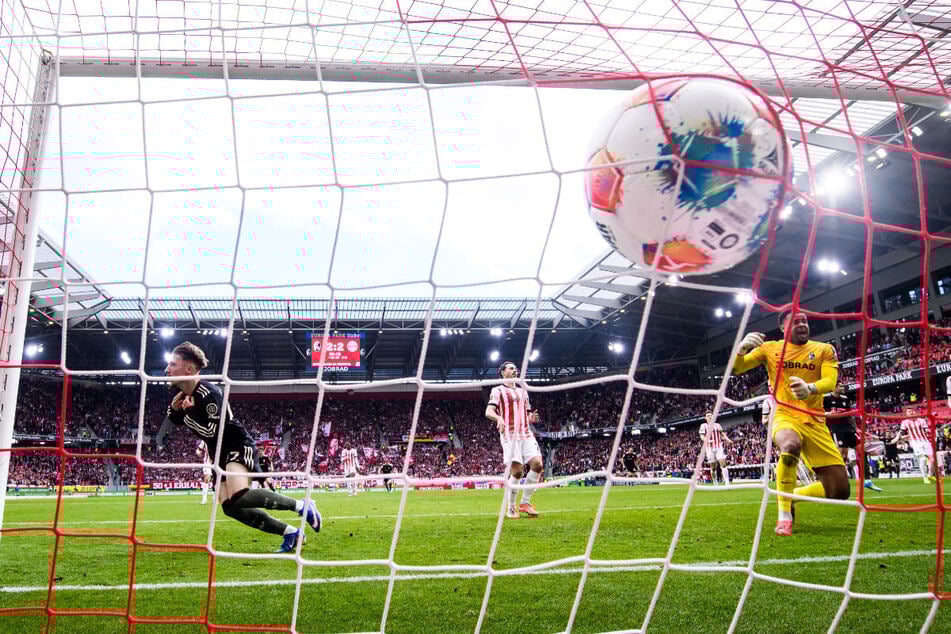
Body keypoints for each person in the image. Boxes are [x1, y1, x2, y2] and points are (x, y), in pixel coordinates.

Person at [165, 341, 321, 552]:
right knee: (230, 507)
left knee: (240, 494)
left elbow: (212, 432)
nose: (167, 369)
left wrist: (187, 414)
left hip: (236, 444)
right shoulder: (184, 397)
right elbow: (176, 421)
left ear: (189, 369)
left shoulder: (209, 394)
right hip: (217, 452)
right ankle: (291, 533)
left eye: (173, 364)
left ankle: (302, 506)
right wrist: (176, 411)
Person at [733, 311, 850, 537]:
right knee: (789, 446)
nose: (802, 324)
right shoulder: (771, 348)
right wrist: (741, 348)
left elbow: (830, 381)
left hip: (815, 419)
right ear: (783, 328)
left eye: (805, 321)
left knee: (840, 490)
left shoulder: (824, 349)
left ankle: (792, 495)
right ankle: (784, 516)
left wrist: (811, 388)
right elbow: (738, 368)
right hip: (784, 413)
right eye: (796, 321)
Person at [485, 361, 543, 519]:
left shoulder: (523, 391)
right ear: (503, 372)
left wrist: (531, 418)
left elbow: (527, 414)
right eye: (511, 368)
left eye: (515, 368)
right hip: (509, 434)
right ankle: (511, 507)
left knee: (538, 465)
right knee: (517, 472)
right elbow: (489, 411)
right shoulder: (497, 390)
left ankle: (525, 503)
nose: (514, 370)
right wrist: (499, 418)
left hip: (526, 433)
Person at [825, 385, 881, 492]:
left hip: (849, 429)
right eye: (840, 386)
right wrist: (827, 414)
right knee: (843, 455)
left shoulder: (845, 398)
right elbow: (817, 411)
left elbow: (850, 415)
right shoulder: (826, 398)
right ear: (834, 387)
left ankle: (867, 480)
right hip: (836, 429)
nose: (843, 387)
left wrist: (856, 428)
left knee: (862, 451)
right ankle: (835, 480)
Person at [894, 407, 937, 484]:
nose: (911, 412)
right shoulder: (905, 422)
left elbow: (926, 429)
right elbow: (902, 431)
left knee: (932, 460)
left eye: (912, 411)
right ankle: (925, 477)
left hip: (925, 441)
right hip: (915, 442)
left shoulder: (922, 420)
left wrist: (929, 431)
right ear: (907, 414)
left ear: (915, 412)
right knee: (923, 459)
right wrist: (897, 437)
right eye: (909, 411)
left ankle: (930, 475)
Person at [698, 411, 733, 485]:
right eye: (708, 416)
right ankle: (715, 480)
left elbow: (722, 435)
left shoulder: (718, 425)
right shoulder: (703, 426)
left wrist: (728, 440)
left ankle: (727, 482)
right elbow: (702, 436)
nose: (710, 417)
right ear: (705, 418)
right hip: (709, 449)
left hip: (718, 447)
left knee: (723, 464)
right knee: (713, 468)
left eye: (711, 415)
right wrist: (707, 440)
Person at [197, 440, 212, 504]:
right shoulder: (205, 438)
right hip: (207, 462)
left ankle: (215, 498)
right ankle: (204, 499)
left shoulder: (220, 437)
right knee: (206, 479)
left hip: (217, 460)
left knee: (217, 480)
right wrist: (198, 452)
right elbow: (199, 449)